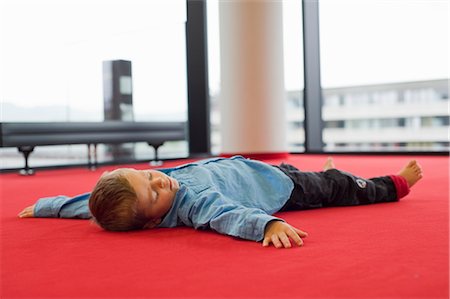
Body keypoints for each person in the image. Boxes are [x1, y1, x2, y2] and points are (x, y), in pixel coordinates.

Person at [18, 156, 423, 249]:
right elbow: (228, 215)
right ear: (151, 224)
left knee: (302, 169)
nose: (159, 181)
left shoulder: (150, 187)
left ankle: (316, 169)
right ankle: (393, 184)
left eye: (147, 176)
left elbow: (83, 203)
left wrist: (47, 205)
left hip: (255, 168)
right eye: (153, 193)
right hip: (281, 190)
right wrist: (267, 224)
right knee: (336, 186)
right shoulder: (195, 203)